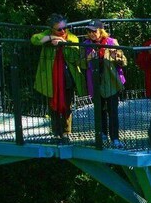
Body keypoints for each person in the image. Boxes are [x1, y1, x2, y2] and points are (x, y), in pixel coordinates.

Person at [32, 13, 86, 141]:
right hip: (51, 78)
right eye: (59, 29)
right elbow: (34, 39)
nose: (63, 31)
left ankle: (67, 132)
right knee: (53, 104)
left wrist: (63, 43)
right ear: (52, 29)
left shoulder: (72, 37)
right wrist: (51, 38)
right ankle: (56, 132)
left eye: (64, 28)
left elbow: (75, 57)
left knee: (67, 104)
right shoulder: (47, 34)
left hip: (67, 76)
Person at [82, 20, 126, 148]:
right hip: (95, 82)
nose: (92, 34)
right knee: (99, 111)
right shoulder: (86, 45)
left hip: (110, 81)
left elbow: (124, 61)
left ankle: (115, 139)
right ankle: (101, 136)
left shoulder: (112, 42)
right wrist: (88, 58)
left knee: (113, 111)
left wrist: (116, 57)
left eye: (94, 31)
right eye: (89, 32)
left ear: (101, 31)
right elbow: (81, 64)